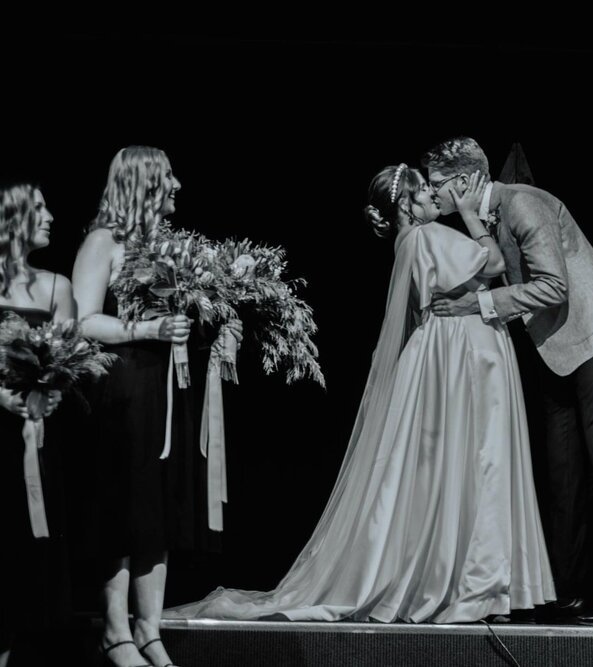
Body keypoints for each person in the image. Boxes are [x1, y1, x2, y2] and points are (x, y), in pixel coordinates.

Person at [166, 163, 554, 624]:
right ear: (407, 204)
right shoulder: (428, 236)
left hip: (439, 353)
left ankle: (454, 576)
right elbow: (492, 264)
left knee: (448, 465)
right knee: (475, 458)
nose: (434, 197)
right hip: (459, 354)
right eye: (425, 192)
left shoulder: (407, 241)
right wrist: (471, 215)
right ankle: (472, 583)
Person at [424, 137, 593, 625]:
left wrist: (478, 305)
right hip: (555, 349)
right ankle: (566, 589)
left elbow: (553, 286)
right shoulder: (483, 215)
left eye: (438, 184)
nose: (433, 193)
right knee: (562, 473)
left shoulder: (524, 202)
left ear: (466, 180)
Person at [73, 146, 203, 667]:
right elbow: (82, 320)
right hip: (123, 385)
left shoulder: (171, 245)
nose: (177, 184)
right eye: (167, 175)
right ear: (145, 182)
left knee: (158, 508)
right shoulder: (103, 241)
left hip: (167, 386)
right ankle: (114, 631)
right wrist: (146, 328)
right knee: (124, 506)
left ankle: (150, 629)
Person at [0, 183, 76, 667]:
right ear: (14, 218)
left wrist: (48, 393)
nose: (50, 215)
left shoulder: (57, 286)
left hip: (36, 434)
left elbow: (70, 359)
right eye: (40, 207)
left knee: (27, 551)